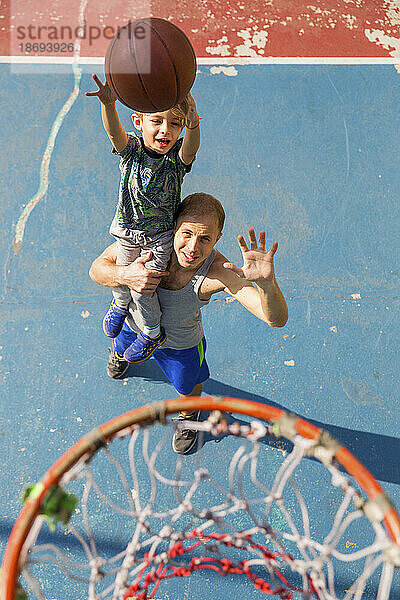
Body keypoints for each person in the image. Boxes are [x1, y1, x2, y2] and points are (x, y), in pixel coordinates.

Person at [89, 193, 288, 454]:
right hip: (135, 326)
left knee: (189, 386)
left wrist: (266, 284)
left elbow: (275, 319)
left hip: (180, 346)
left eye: (205, 238)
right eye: (186, 234)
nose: (193, 247)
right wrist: (124, 274)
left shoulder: (219, 271)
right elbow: (97, 268)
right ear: (173, 227)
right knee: (121, 343)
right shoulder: (148, 243)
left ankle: (189, 416)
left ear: (217, 239)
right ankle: (121, 356)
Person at [86, 75, 200, 363]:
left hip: (159, 239)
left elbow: (192, 148)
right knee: (121, 277)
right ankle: (118, 305)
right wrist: (109, 105)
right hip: (126, 231)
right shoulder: (132, 151)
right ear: (139, 122)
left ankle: (151, 332)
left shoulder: (176, 160)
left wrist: (193, 120)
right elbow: (114, 133)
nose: (165, 130)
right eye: (157, 121)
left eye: (175, 124)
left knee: (143, 288)